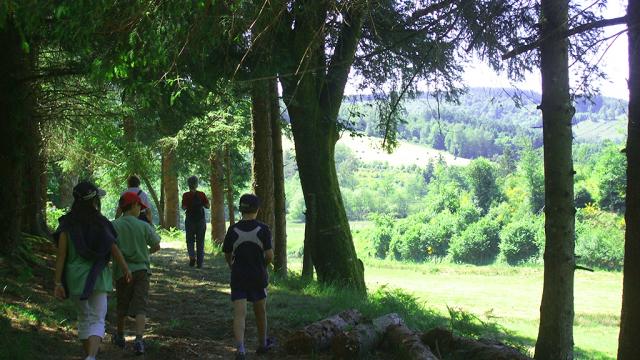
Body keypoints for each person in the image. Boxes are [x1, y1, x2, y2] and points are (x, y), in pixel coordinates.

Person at [53, 181, 132, 360]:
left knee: (84, 318)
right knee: (97, 319)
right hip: (98, 277)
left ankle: (90, 355)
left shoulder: (66, 224)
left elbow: (61, 256)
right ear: (94, 199)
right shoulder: (101, 223)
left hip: (74, 278)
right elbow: (113, 248)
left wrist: (57, 282)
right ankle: (91, 356)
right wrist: (125, 269)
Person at [223, 194, 274, 360]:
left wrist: (232, 266)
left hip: (238, 276)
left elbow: (228, 253)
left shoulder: (233, 230)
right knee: (260, 311)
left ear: (241, 210)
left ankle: (240, 349)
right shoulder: (263, 229)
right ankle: (262, 343)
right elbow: (269, 255)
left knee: (240, 314)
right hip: (258, 275)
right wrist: (263, 265)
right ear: (257, 210)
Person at [111, 192, 161, 355]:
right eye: (140, 205)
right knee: (141, 305)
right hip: (142, 271)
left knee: (122, 304)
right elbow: (156, 245)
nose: (141, 209)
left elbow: (110, 247)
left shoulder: (115, 225)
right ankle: (139, 340)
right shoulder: (143, 225)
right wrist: (146, 253)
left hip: (122, 272)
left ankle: (119, 336)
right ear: (133, 206)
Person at [181, 176, 209, 268]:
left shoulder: (185, 195)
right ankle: (200, 262)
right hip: (201, 220)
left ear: (188, 184)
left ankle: (192, 258)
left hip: (190, 220)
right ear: (196, 184)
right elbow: (208, 206)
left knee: (190, 240)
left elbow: (184, 207)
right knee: (200, 241)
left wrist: (189, 205)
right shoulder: (201, 194)